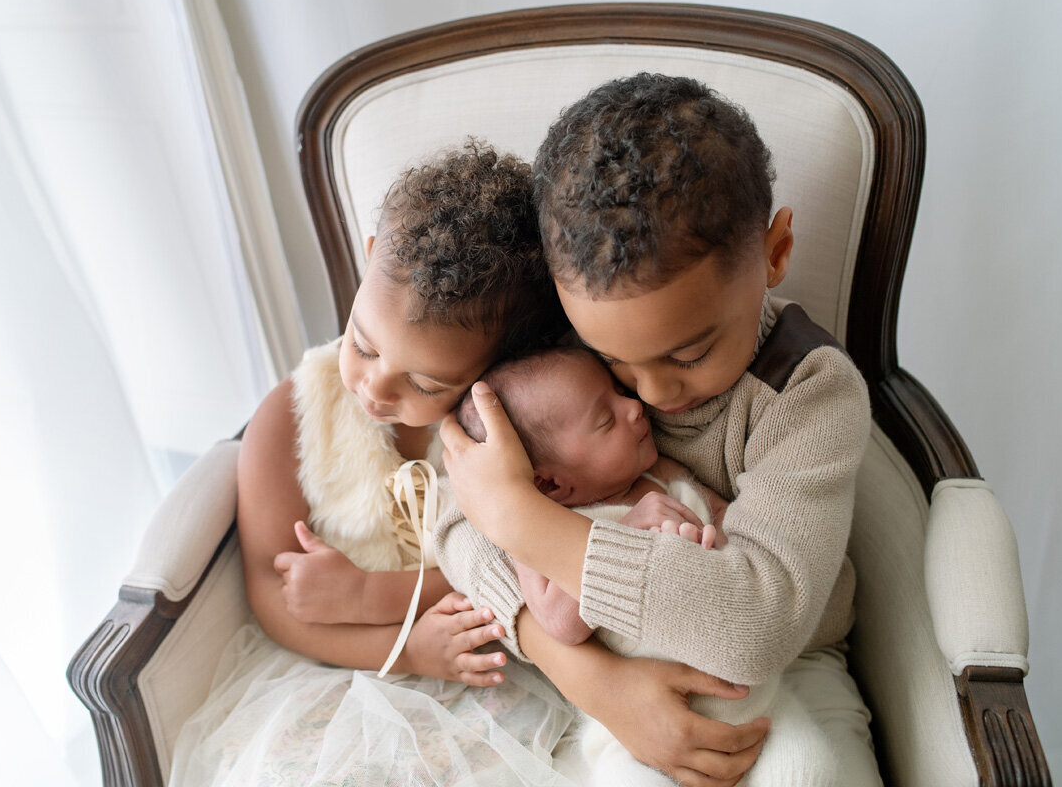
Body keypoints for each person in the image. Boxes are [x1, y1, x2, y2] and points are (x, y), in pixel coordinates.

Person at [436, 73, 880, 787]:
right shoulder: (568, 349)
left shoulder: (806, 392)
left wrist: (520, 517)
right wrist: (586, 677)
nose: (648, 394)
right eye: (614, 360)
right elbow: (453, 515)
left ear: (773, 253)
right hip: (616, 666)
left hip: (795, 667)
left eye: (689, 353)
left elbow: (756, 628)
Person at [168, 141, 577, 787]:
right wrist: (405, 650)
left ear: (496, 366)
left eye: (423, 381)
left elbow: (520, 565)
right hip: (339, 669)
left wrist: (373, 600)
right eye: (363, 343)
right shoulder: (294, 416)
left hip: (493, 669)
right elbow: (272, 596)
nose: (376, 389)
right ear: (366, 262)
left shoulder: (504, 436)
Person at [456, 346, 838, 787]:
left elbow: (743, 540)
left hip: (755, 708)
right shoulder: (537, 530)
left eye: (618, 392)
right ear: (550, 483)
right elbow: (559, 623)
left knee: (810, 772)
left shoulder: (664, 473)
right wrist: (628, 530)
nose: (635, 408)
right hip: (635, 735)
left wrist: (713, 544)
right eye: (605, 419)